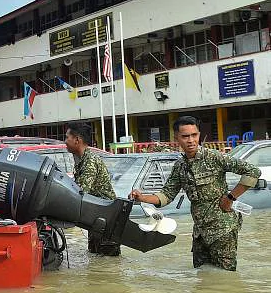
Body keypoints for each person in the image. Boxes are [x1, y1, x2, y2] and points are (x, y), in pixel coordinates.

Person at [130, 115, 260, 271]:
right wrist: (142, 197)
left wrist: (230, 197)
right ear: (177, 138)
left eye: (194, 135)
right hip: (200, 233)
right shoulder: (180, 166)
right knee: (202, 277)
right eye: (185, 136)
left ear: (199, 134)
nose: (191, 140)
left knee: (225, 279)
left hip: (223, 229)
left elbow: (253, 171)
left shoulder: (214, 157)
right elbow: (166, 195)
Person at [65, 122, 118, 256]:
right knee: (96, 260)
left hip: (106, 221)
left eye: (67, 138)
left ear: (77, 140)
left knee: (107, 265)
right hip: (97, 219)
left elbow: (79, 193)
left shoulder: (90, 161)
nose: (65, 142)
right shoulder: (82, 161)